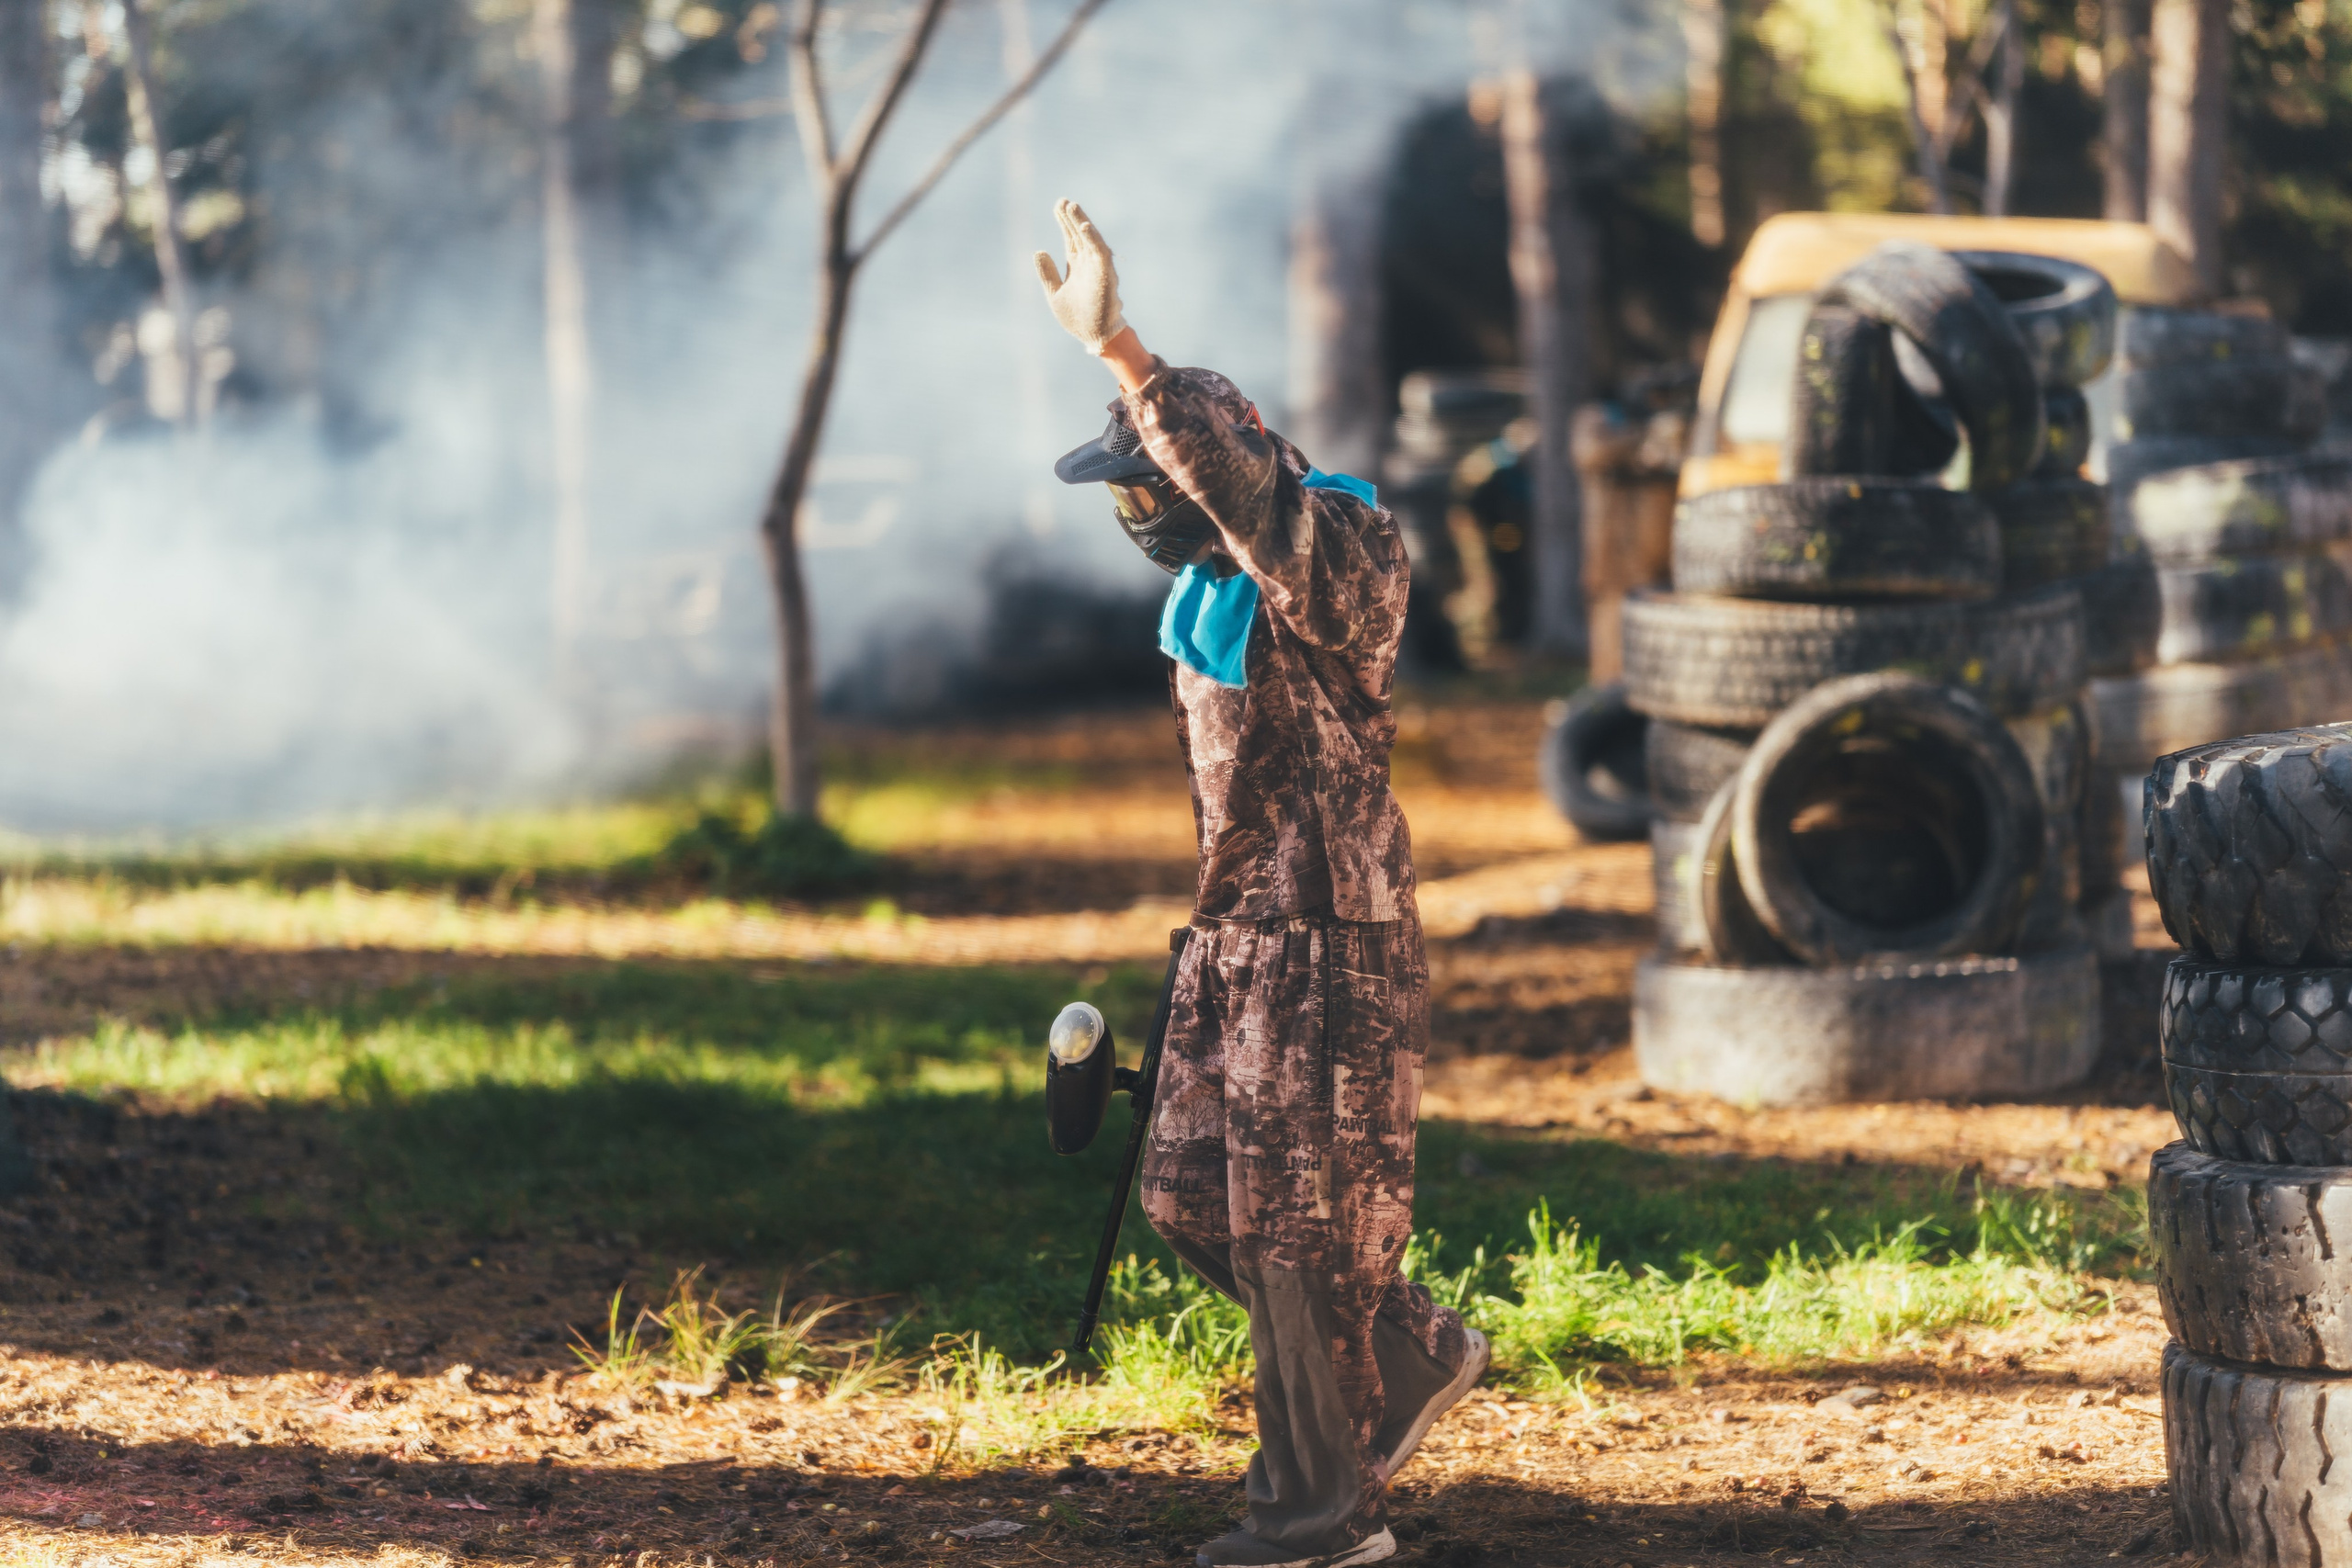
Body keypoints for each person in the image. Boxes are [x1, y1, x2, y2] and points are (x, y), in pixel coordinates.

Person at [1035, 199, 1488, 1568]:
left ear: (1215, 467)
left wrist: (1120, 346)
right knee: (1185, 1190)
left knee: (1294, 1242)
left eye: (1145, 481)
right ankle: (1411, 1353)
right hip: (1238, 942)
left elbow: (1251, 505)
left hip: (1326, 940)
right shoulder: (1212, 607)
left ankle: (1319, 1514)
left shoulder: (1339, 556)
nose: (1130, 510)